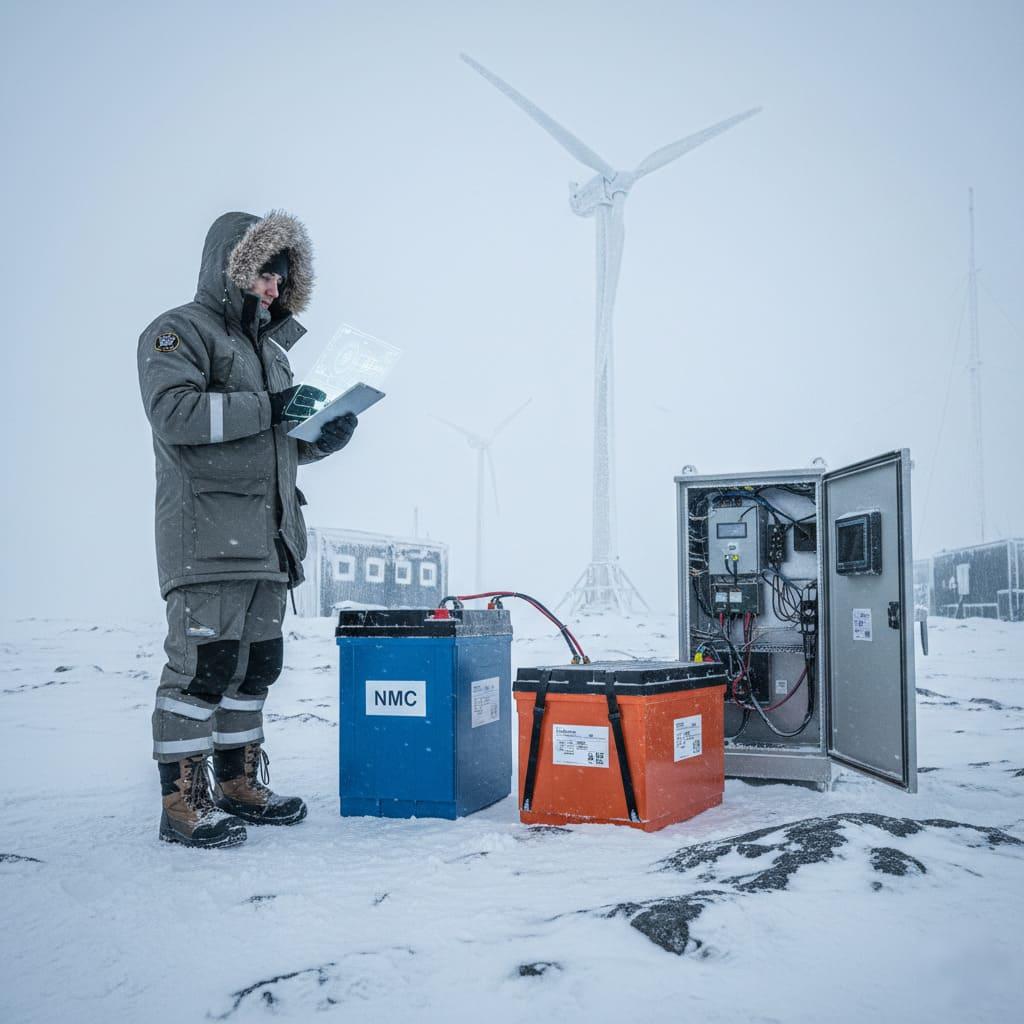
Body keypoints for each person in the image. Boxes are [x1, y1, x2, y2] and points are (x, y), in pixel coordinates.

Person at [137, 210, 357, 848]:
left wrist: (320, 437)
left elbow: (274, 441)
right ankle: (183, 802)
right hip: (207, 539)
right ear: (233, 267)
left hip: (269, 541)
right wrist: (272, 408)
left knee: (255, 666)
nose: (271, 291)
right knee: (201, 670)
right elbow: (174, 414)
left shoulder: (273, 352)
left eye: (280, 282)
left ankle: (237, 784)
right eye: (264, 276)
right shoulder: (177, 332)